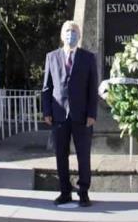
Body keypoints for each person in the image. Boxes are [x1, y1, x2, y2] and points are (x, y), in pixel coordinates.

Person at [42, 21, 98, 207]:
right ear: (61, 34)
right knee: (60, 155)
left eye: (74, 31)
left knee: (83, 155)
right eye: (67, 31)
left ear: (79, 35)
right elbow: (47, 87)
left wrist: (92, 114)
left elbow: (92, 89)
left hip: (82, 116)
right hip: (58, 115)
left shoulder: (88, 58)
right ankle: (65, 192)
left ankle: (83, 192)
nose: (71, 34)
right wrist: (47, 111)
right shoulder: (51, 57)